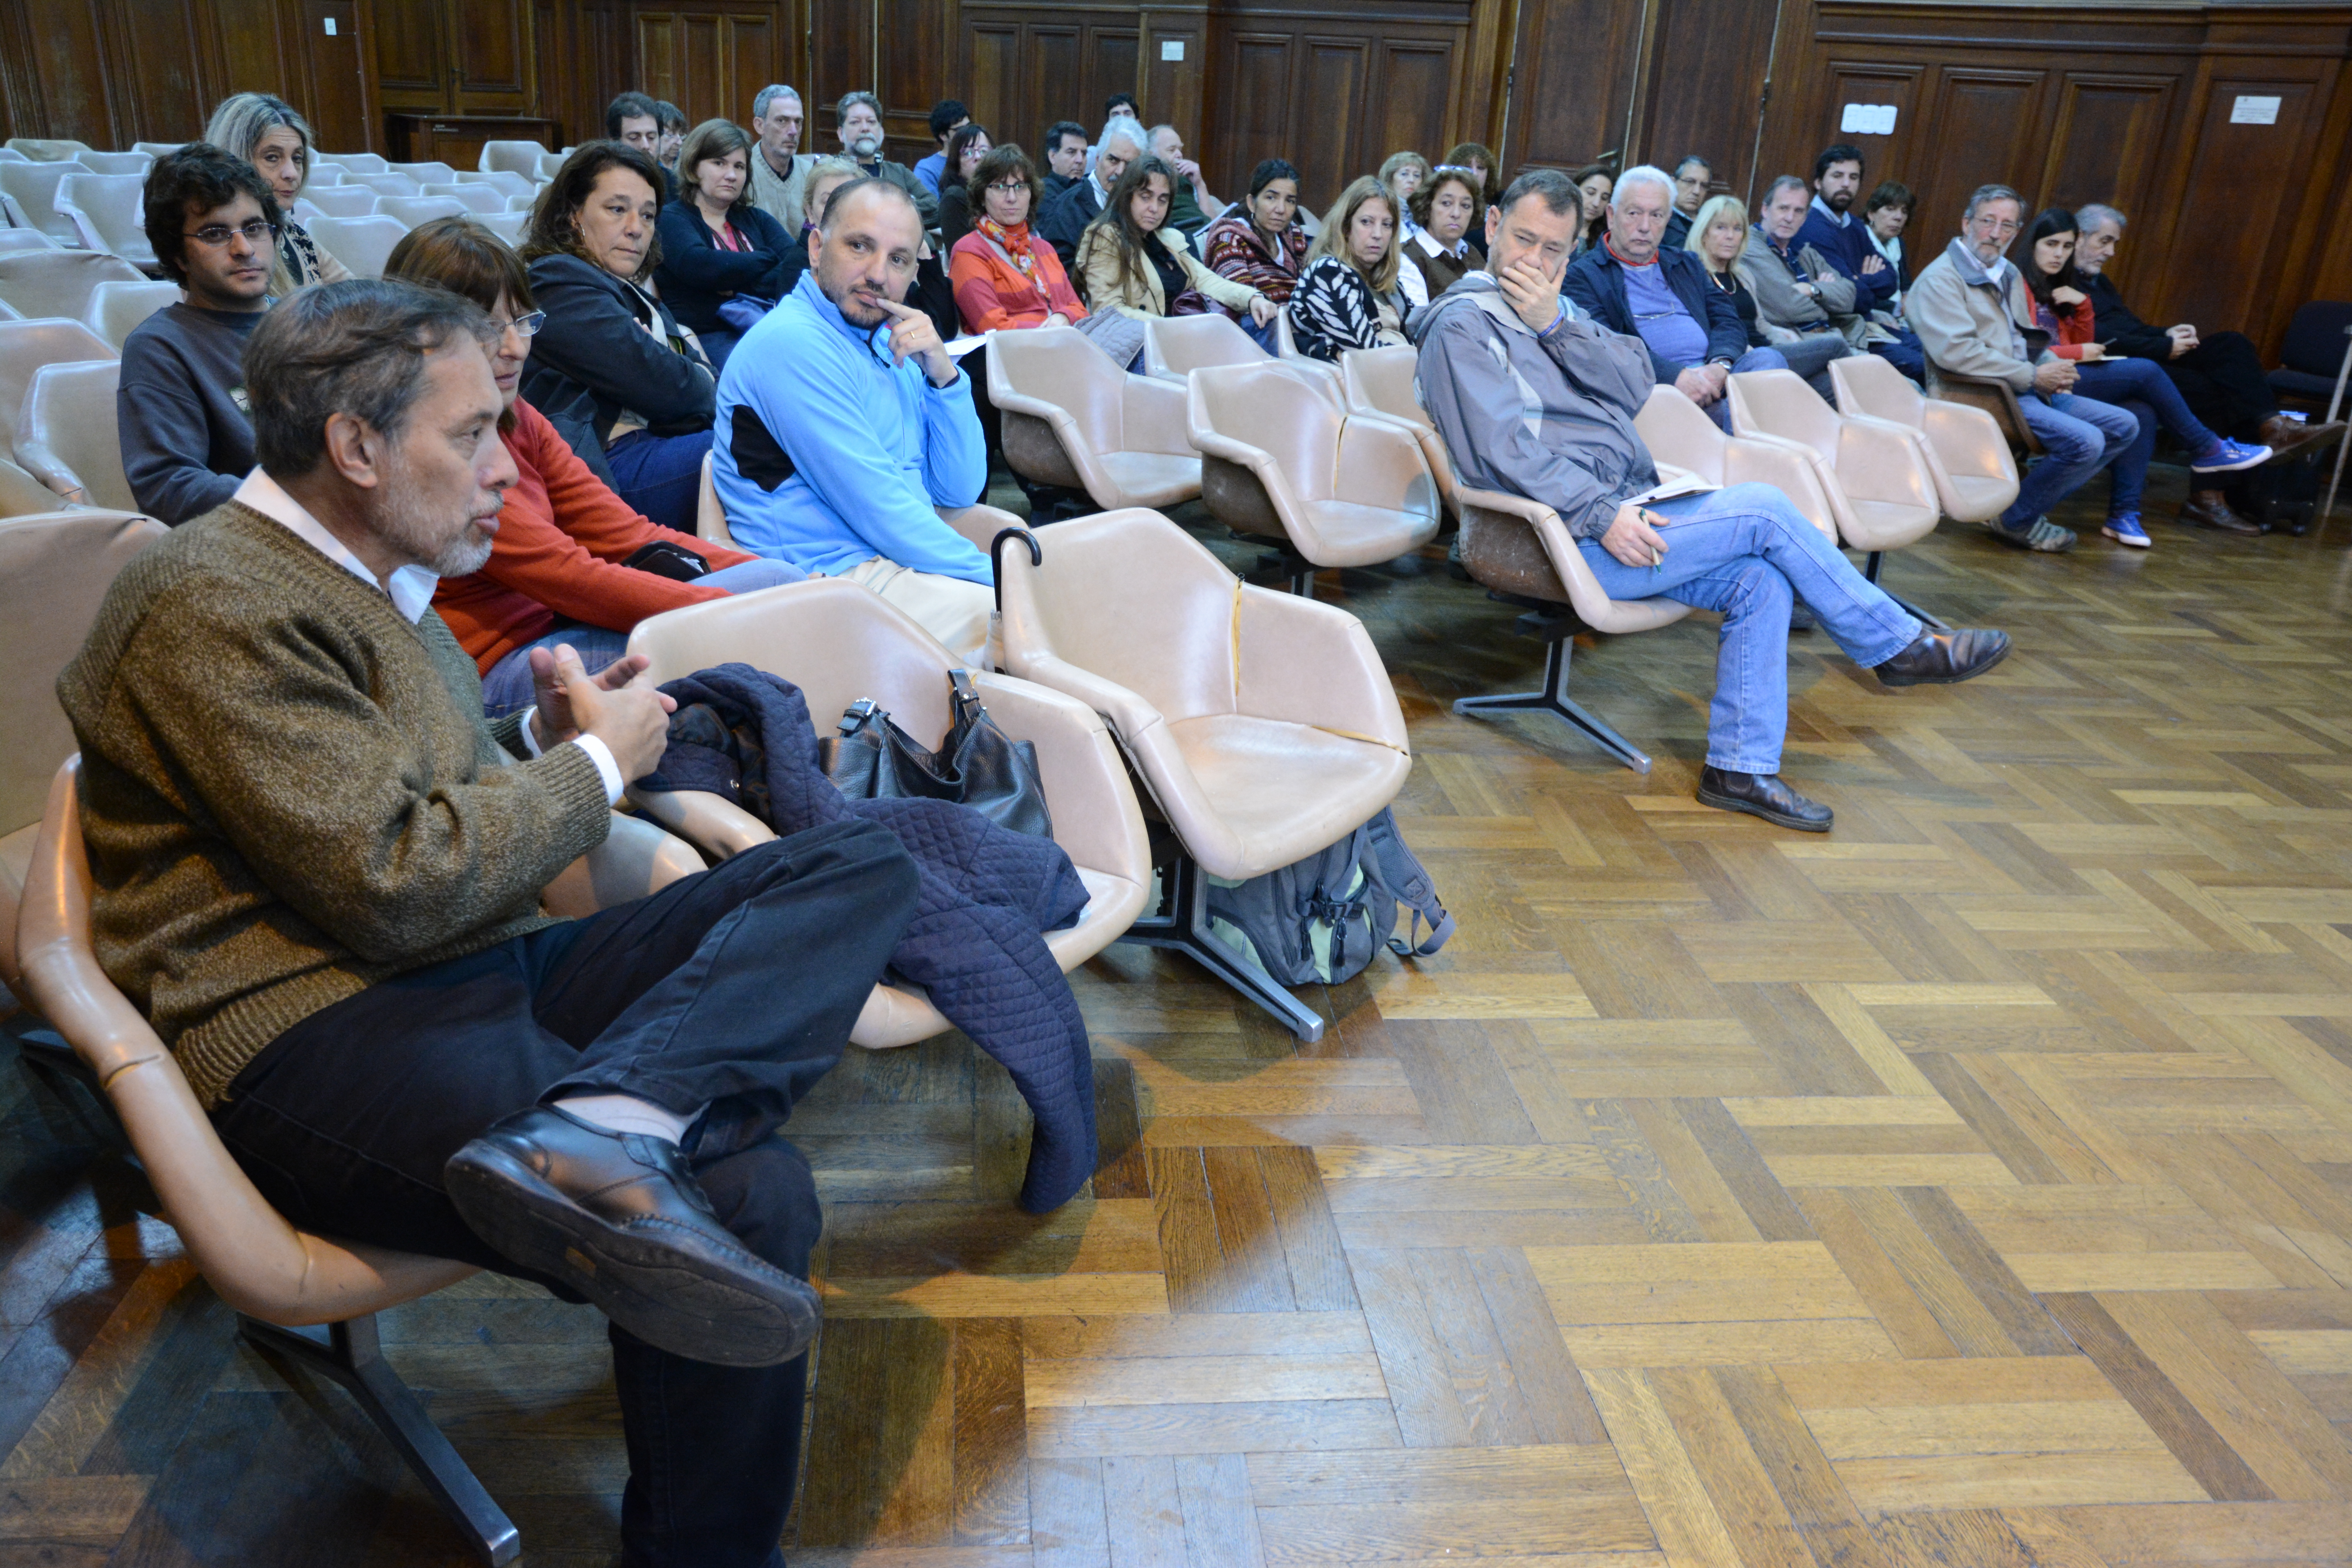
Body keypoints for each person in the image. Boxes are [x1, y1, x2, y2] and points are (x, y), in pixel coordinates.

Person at [64, 272, 922, 1568]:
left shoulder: (369, 582)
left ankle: (607, 1131)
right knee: (747, 1192)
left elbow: (404, 795)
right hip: (311, 1034)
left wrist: (540, 739)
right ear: (355, 447)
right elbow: (389, 877)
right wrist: (593, 776)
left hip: (464, 966)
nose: (499, 474)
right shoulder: (209, 599)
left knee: (859, 870)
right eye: (469, 437)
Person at [1412, 168, 2011, 832]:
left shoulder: (1553, 308)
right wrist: (1600, 514)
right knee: (1761, 506)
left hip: (1617, 509)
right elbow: (1501, 454)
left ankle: (1740, 769)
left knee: (1759, 582)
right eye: (1524, 240)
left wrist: (1555, 326)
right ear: (1492, 228)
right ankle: (1896, 646)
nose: (1537, 261)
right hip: (1550, 535)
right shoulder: (1461, 326)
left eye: (1555, 249)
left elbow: (1637, 380)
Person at [386, 216, 803, 711]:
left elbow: (627, 534)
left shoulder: (521, 415)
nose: (516, 347)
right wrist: (733, 615)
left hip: (561, 626)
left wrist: (795, 594)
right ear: (423, 334)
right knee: (755, 638)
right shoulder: (436, 446)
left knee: (781, 580)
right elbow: (572, 577)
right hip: (501, 669)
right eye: (489, 328)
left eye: (524, 321)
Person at [715, 178, 994, 665]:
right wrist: (1005, 579)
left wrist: (944, 376)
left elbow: (959, 489)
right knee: (1026, 620)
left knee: (1060, 618)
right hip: (825, 586)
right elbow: (881, 512)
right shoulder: (792, 345)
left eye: (899, 259)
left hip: (895, 563)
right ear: (817, 247)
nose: (878, 274)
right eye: (860, 246)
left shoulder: (892, 342)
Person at [1908, 183, 2140, 553]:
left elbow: (2027, 338)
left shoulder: (2008, 273)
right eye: (1988, 221)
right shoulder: (1941, 280)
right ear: (1966, 222)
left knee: (2125, 425)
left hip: (2023, 387)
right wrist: (2033, 376)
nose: (1996, 234)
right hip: (1980, 394)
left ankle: (2017, 508)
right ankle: (2017, 518)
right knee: (2086, 442)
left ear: (2017, 232)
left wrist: (2055, 368)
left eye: (2007, 226)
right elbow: (1957, 354)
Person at [2019, 207, 2269, 546]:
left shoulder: (2063, 286)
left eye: (2065, 246)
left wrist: (2083, 308)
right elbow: (2022, 349)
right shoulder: (2016, 283)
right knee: (2146, 371)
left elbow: (2082, 338)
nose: (2059, 254)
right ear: (2032, 244)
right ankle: (2207, 447)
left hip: (2069, 377)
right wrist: (2079, 353)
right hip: (2037, 381)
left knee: (2142, 410)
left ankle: (2124, 515)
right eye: (2052, 245)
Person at [521, 141, 717, 535]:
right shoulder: (556, 280)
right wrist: (686, 370)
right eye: (617, 209)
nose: (636, 228)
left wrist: (683, 370)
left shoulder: (638, 294)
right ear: (573, 214)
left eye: (648, 215)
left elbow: (696, 380)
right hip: (611, 470)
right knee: (764, 446)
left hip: (660, 445)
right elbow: (668, 383)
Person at [2075, 203, 2341, 477]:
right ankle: (2210, 496)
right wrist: (2163, 346)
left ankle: (2274, 426)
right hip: (2115, 367)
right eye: (2105, 242)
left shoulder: (2100, 282)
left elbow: (2130, 326)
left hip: (2145, 353)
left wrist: (2167, 333)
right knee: (2217, 390)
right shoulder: (2062, 282)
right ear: (2079, 236)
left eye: (2114, 244)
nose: (2110, 253)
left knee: (2232, 344)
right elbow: (2095, 335)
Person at [118, 145, 277, 525]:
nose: (244, 248)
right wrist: (307, 501)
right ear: (178, 256)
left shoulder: (311, 321)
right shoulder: (160, 347)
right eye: (215, 234)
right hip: (254, 550)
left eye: (254, 227)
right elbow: (168, 487)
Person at [1564, 165, 1787, 430]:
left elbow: (1728, 320)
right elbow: (1606, 346)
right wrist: (1676, 377)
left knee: (1770, 363)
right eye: (1634, 213)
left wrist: (1720, 366)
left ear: (1668, 218)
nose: (1645, 227)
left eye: (1657, 215)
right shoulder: (1583, 275)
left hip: (1715, 376)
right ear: (1612, 216)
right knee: (1738, 412)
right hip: (1657, 390)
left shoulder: (1686, 264)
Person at [652, 119, 796, 372]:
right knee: (769, 371)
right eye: (719, 163)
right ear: (694, 167)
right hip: (707, 336)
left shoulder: (757, 219)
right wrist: (765, 258)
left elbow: (795, 266)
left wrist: (735, 285)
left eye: (739, 167)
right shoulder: (672, 218)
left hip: (768, 326)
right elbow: (701, 266)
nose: (731, 175)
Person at [1076, 154, 1274, 330]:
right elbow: (1110, 311)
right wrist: (1175, 329)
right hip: (1145, 344)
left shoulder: (1168, 238)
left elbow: (1205, 280)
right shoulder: (1105, 236)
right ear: (1127, 197)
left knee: (1265, 321)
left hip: (1182, 335)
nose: (1154, 208)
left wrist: (1253, 298)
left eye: (1162, 200)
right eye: (1146, 197)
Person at [1687, 191, 1844, 403]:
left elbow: (1761, 326)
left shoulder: (1743, 275)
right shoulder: (1694, 276)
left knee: (1830, 386)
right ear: (1704, 232)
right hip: (1738, 360)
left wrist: (1785, 339)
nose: (1731, 236)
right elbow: (1702, 331)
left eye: (1737, 229)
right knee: (1836, 346)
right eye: (1721, 228)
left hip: (1768, 350)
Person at [1793, 143, 1926, 377]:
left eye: (1853, 177)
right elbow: (1850, 298)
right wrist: (1860, 284)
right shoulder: (1811, 226)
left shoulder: (1855, 225)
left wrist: (1857, 281)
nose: (1846, 184)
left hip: (1867, 324)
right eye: (1837, 176)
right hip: (1839, 328)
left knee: (1932, 352)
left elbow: (1890, 280)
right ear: (1818, 182)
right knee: (1921, 366)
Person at [203, 92, 351, 294]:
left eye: (297, 158)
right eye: (272, 158)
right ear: (234, 159)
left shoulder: (294, 235)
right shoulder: (213, 243)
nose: (291, 174)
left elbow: (359, 296)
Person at [1740, 175, 1862, 390]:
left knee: (1896, 387)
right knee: (1860, 391)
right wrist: (1828, 299)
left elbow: (1850, 297)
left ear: (1805, 217)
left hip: (1835, 338)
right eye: (1783, 208)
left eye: (1798, 211)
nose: (1789, 218)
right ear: (1765, 210)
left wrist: (1813, 290)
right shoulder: (1750, 247)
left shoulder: (1804, 251)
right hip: (1796, 345)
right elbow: (1788, 306)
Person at [950, 143, 1087, 333]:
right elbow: (992, 328)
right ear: (982, 196)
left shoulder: (1044, 248)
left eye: (1020, 187)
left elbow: (1080, 311)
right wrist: (1051, 329)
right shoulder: (968, 252)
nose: (1012, 197)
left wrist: (1065, 317)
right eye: (1000, 187)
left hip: (1063, 348)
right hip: (1010, 356)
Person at [1287, 176, 1410, 360]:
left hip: (1394, 375)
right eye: (1367, 222)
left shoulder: (1391, 284)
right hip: (1342, 382)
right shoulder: (1327, 273)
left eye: (1386, 225)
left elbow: (1417, 336)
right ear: (1346, 227)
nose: (1378, 235)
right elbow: (1366, 352)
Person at [1200, 158, 1309, 348]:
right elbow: (1243, 302)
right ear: (1252, 203)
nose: (1281, 209)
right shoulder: (1229, 239)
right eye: (1271, 198)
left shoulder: (1295, 237)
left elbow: (1308, 294)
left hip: (1295, 331)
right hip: (1250, 337)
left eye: (1290, 201)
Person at [1039, 115, 1142, 272]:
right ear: (1099, 159)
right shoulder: (1069, 204)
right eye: (1113, 161)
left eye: (1129, 165)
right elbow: (1058, 272)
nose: (1120, 172)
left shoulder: (1146, 202)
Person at [834, 91, 936, 225]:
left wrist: (889, 213)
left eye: (871, 122)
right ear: (841, 134)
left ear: (881, 132)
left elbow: (934, 207)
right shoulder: (832, 173)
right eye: (855, 122)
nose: (865, 128)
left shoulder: (899, 171)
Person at [1400, 164, 1483, 309]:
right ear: (1427, 208)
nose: (1456, 214)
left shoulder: (1471, 251)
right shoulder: (1408, 257)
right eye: (1446, 203)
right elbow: (1418, 324)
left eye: (1466, 206)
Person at [746, 83, 813, 235]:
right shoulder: (742, 171)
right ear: (760, 126)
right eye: (782, 121)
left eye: (798, 122)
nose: (793, 131)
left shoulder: (811, 175)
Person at [1147, 123, 1220, 237]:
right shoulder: (1148, 184)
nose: (1180, 155)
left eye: (1180, 149)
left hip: (1207, 236)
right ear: (1151, 155)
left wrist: (1199, 184)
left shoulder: (1186, 179)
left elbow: (1213, 224)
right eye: (1172, 150)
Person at [933, 122, 992, 249]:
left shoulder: (1004, 194)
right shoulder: (954, 197)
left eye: (984, 151)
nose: (978, 157)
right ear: (957, 165)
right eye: (968, 153)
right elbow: (962, 257)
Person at [1861, 180, 1914, 309]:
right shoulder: (1858, 241)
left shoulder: (1898, 243)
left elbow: (1905, 286)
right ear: (1871, 214)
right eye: (1890, 209)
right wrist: (1897, 308)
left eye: (1904, 211)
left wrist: (1908, 296)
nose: (1899, 217)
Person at [605, 92, 670, 197]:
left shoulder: (676, 187)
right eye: (634, 138)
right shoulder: (600, 183)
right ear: (614, 142)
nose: (645, 146)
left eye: (651, 138)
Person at [914, 99, 969, 198]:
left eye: (969, 126)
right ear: (943, 136)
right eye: (960, 130)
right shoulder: (927, 169)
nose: (968, 133)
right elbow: (931, 209)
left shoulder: (979, 158)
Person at [1665, 155, 1711, 249]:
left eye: (1703, 186)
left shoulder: (1711, 220)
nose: (1697, 191)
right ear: (1672, 182)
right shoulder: (1660, 219)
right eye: (1690, 182)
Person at [1041, 120, 1090, 201]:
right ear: (1053, 157)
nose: (1080, 160)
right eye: (1072, 152)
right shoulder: (1042, 192)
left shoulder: (1089, 188)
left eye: (1084, 153)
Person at [1569, 163, 1612, 254]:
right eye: (1591, 193)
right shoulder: (1554, 225)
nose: (1596, 203)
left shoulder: (1608, 238)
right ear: (1575, 190)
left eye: (1604, 198)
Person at [1380, 151, 1430, 226]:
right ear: (1390, 179)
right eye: (1404, 174)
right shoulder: (1380, 211)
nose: (1411, 180)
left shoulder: (1428, 215)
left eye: (1417, 176)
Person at [654, 101, 687, 173]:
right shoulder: (647, 169)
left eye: (681, 135)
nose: (680, 142)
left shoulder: (687, 165)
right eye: (671, 135)